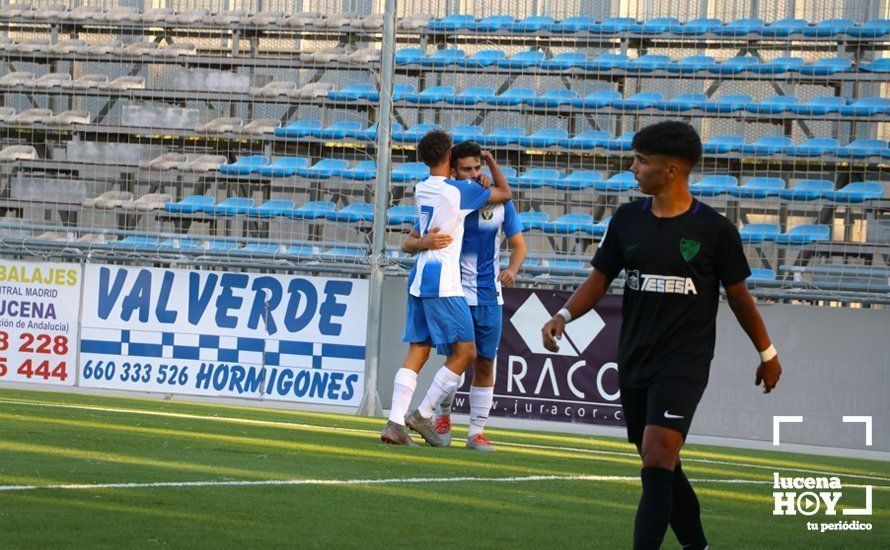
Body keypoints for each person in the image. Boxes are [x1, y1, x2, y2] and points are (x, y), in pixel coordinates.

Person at [540, 121, 782, 549]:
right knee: (660, 462)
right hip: (634, 357)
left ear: (671, 170)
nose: (632, 168)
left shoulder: (714, 230)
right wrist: (563, 315)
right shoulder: (627, 219)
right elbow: (600, 279)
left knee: (656, 455)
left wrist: (767, 352)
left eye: (641, 160)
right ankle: (698, 545)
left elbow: (741, 299)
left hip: (684, 362)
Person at [380, 130, 513, 446]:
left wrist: (422, 241)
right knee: (466, 353)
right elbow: (505, 194)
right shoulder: (458, 191)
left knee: (419, 349)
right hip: (443, 282)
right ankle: (423, 414)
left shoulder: (423, 187)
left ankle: (395, 423)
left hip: (420, 276)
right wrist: (489, 165)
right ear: (449, 158)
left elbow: (409, 239)